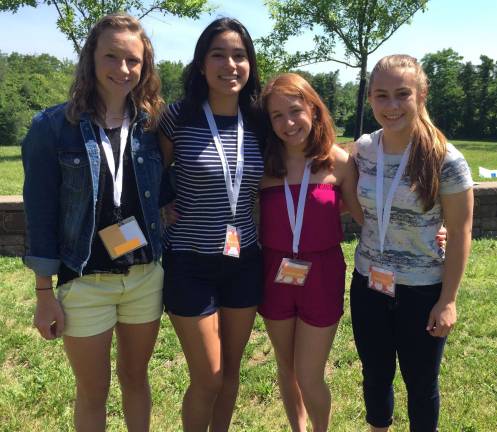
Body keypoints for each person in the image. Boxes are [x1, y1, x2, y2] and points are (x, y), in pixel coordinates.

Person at [22, 14, 167, 432]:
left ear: (145, 66)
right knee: (93, 393)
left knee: (137, 380)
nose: (123, 69)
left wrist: (167, 210)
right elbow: (41, 215)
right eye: (112, 56)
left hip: (144, 278)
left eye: (133, 61)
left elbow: (168, 185)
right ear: (91, 58)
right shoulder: (52, 128)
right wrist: (44, 293)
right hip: (84, 282)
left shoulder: (151, 126)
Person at [350, 54, 473, 431]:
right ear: (370, 98)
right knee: (375, 375)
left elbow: (462, 231)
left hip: (422, 290)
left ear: (421, 95)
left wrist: (448, 300)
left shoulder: (445, 159)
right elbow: (361, 207)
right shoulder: (364, 149)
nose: (391, 106)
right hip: (368, 283)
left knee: (421, 385)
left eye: (402, 94)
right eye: (381, 95)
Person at [158, 18, 264, 432]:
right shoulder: (177, 116)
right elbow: (150, 171)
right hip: (189, 261)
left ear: (250, 64)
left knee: (232, 372)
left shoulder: (257, 121)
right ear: (201, 64)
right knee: (209, 377)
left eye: (239, 55)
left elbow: (303, 149)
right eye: (218, 54)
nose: (230, 64)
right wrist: (165, 202)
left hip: (244, 259)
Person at [257, 73, 364, 432]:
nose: (288, 123)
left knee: (309, 373)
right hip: (274, 273)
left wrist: (432, 228)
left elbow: (366, 215)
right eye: (276, 116)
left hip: (322, 275)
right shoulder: (261, 165)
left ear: (314, 110)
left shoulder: (341, 162)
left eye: (295, 110)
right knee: (286, 368)